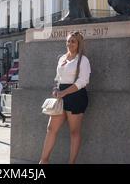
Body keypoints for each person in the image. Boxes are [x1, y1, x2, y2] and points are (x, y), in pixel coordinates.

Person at [39, 31, 91, 164]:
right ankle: (44, 161)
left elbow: (83, 81)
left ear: (79, 43)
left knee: (74, 132)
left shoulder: (83, 60)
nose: (70, 44)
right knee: (51, 129)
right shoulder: (62, 58)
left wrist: (64, 92)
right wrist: (56, 88)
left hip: (76, 97)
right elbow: (58, 78)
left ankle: (71, 162)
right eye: (68, 41)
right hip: (61, 96)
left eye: (73, 41)